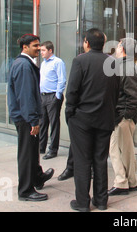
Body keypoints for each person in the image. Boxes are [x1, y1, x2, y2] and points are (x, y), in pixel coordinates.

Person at [65, 28, 120, 212]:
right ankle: (101, 201)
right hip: (105, 119)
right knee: (100, 160)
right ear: (103, 44)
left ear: (86, 43)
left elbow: (72, 91)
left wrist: (69, 113)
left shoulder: (80, 60)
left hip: (82, 120)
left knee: (82, 161)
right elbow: (116, 93)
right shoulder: (112, 63)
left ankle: (82, 203)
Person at [7, 34, 54, 202]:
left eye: (39, 45)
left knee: (32, 150)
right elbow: (25, 96)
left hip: (26, 116)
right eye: (35, 46)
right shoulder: (23, 66)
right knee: (27, 153)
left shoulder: (24, 64)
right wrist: (33, 120)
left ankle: (37, 177)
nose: (38, 49)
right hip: (26, 119)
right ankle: (26, 191)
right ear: (25, 47)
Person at [108, 38, 137, 196]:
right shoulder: (124, 66)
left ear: (122, 48)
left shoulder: (127, 67)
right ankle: (126, 181)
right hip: (120, 116)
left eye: (118, 45)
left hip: (123, 116)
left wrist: (126, 116)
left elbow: (134, 96)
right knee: (119, 149)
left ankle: (125, 182)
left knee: (123, 150)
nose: (116, 48)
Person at [57, 34, 91, 181]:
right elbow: (73, 88)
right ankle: (71, 168)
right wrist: (70, 111)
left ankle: (89, 170)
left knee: (91, 144)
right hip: (80, 111)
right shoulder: (80, 60)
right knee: (76, 144)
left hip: (93, 111)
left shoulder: (106, 63)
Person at [39, 41, 66, 160]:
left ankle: (53, 150)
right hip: (42, 96)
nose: (41, 53)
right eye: (41, 51)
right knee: (42, 123)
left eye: (43, 50)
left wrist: (57, 96)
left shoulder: (58, 62)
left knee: (54, 123)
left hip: (52, 96)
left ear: (50, 50)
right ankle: (41, 147)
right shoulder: (43, 63)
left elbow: (62, 79)